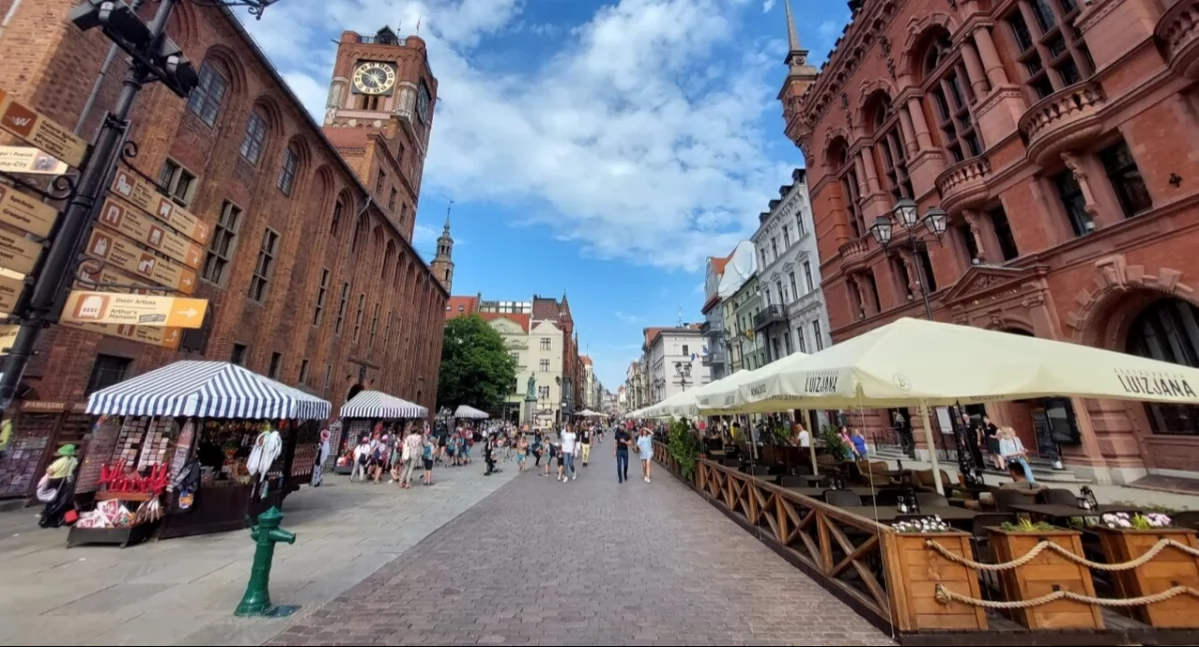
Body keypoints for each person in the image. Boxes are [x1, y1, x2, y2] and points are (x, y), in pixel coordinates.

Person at [38, 444, 79, 528]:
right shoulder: (74, 460)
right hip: (67, 481)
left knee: (53, 500)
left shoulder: (60, 461)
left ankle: (50, 521)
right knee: (68, 501)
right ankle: (70, 520)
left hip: (55, 481)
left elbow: (50, 472)